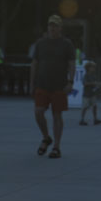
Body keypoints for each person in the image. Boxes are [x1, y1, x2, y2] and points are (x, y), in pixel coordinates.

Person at [29, 15, 76, 159]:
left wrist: (70, 82)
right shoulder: (40, 43)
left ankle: (56, 146)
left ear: (60, 28)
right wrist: (31, 83)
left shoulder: (66, 44)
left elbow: (72, 64)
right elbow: (34, 63)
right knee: (38, 112)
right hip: (42, 83)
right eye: (50, 25)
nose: (52, 28)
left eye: (55, 26)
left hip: (59, 85)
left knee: (57, 115)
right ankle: (46, 137)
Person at [79, 60, 101, 125]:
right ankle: (82, 119)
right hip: (86, 94)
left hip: (93, 94)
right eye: (92, 67)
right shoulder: (86, 75)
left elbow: (95, 84)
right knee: (85, 107)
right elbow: (85, 83)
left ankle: (95, 119)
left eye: (94, 67)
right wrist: (93, 83)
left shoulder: (94, 75)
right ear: (88, 68)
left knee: (94, 106)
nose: (94, 69)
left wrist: (98, 85)